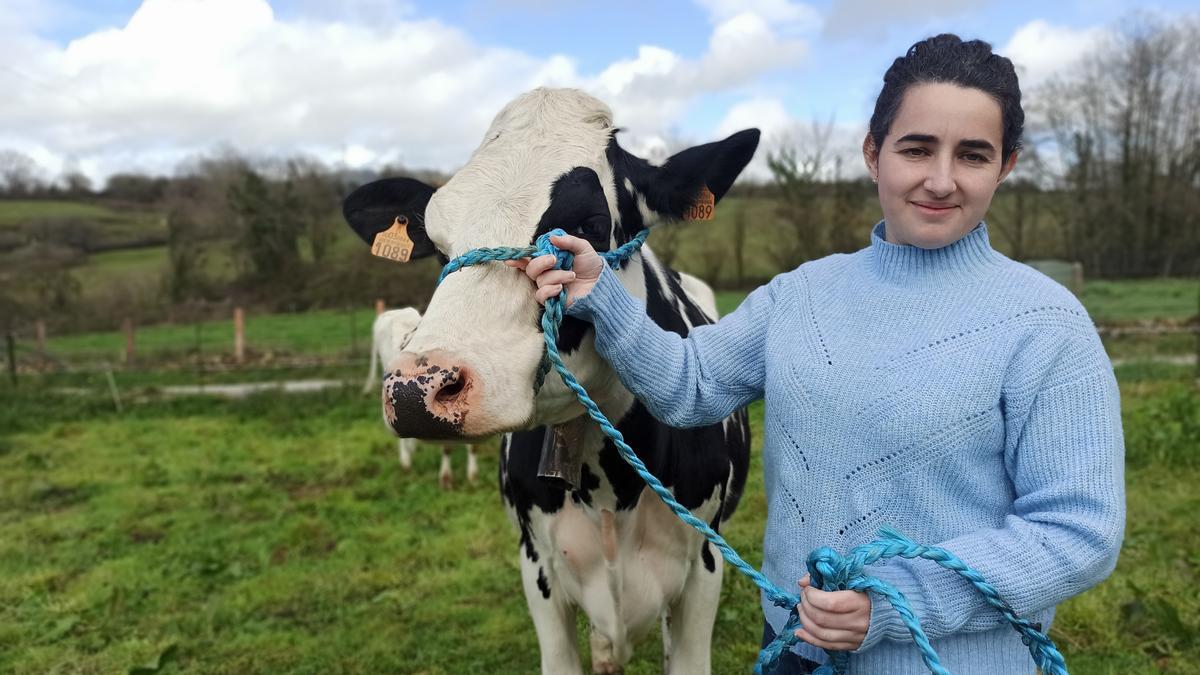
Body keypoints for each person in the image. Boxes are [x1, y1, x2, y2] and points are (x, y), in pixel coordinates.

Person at [510, 33, 1125, 674]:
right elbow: (689, 385)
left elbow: (1078, 530)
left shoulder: (1048, 325)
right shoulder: (800, 295)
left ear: (1006, 166)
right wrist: (602, 296)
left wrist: (895, 602)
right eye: (916, 148)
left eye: (973, 155)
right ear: (873, 153)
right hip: (795, 655)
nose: (941, 180)